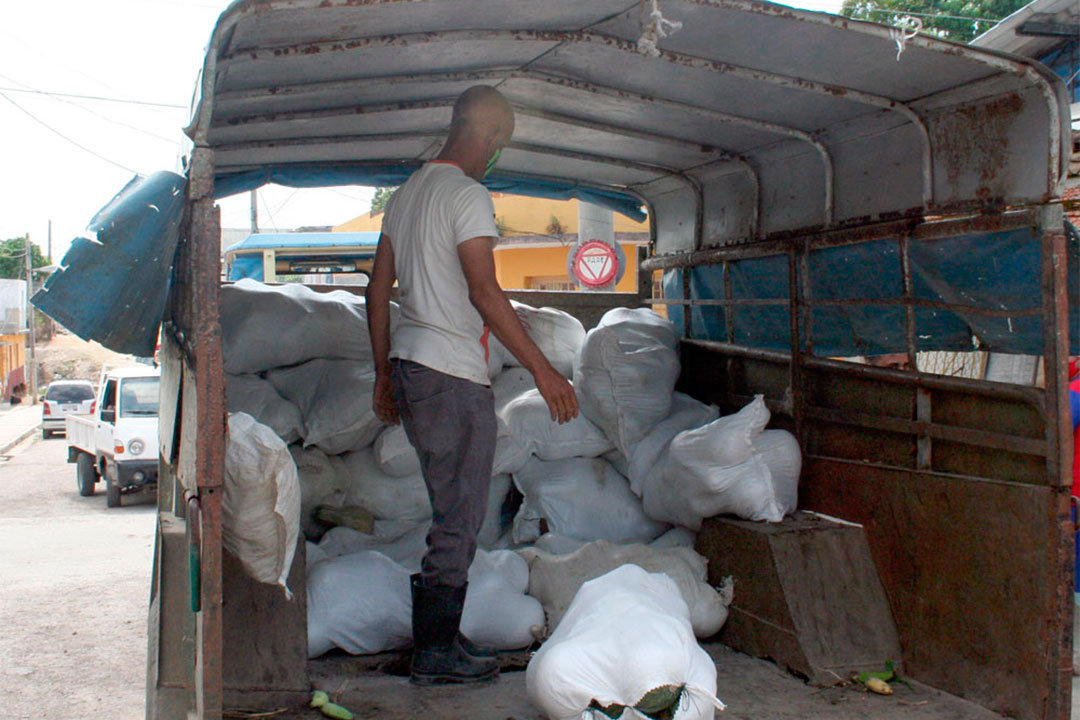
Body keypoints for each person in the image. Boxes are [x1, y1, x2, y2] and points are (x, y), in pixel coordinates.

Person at [365, 85, 579, 685]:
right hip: (452, 375)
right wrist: (544, 370)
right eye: (499, 143)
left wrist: (384, 372)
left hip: (412, 369)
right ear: (487, 135)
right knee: (460, 516)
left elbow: (376, 290)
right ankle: (435, 655)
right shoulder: (467, 194)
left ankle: (437, 638)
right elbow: (484, 291)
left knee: (446, 513)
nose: (495, 155)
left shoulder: (406, 195)